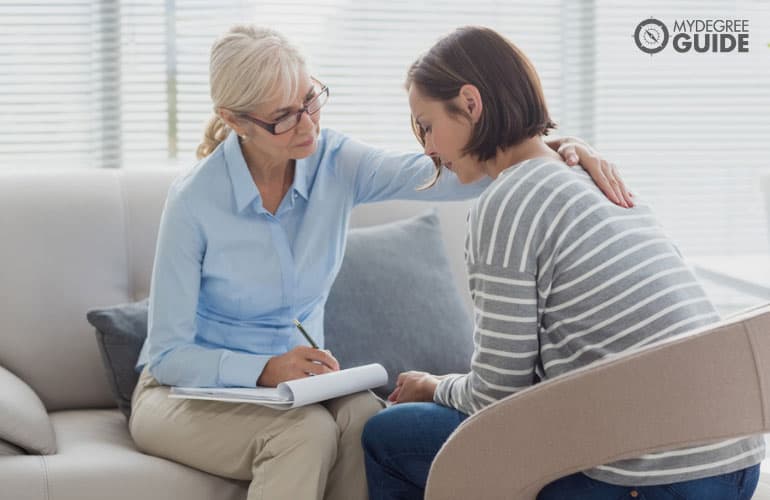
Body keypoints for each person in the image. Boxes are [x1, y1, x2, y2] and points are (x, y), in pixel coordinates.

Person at [128, 24, 632, 500]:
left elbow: (459, 169)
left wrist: (557, 148)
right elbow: (169, 355)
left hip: (294, 391)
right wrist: (264, 368)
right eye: (283, 117)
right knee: (303, 435)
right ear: (237, 121)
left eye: (309, 100)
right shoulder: (194, 201)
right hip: (181, 395)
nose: (307, 125)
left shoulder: (333, 161)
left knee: (366, 421)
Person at [361, 26, 765, 500]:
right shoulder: (592, 176)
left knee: (388, 435)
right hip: (737, 461)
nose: (426, 148)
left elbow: (497, 397)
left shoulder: (506, 202)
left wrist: (434, 386)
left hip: (656, 477)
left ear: (470, 103)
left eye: (426, 125)